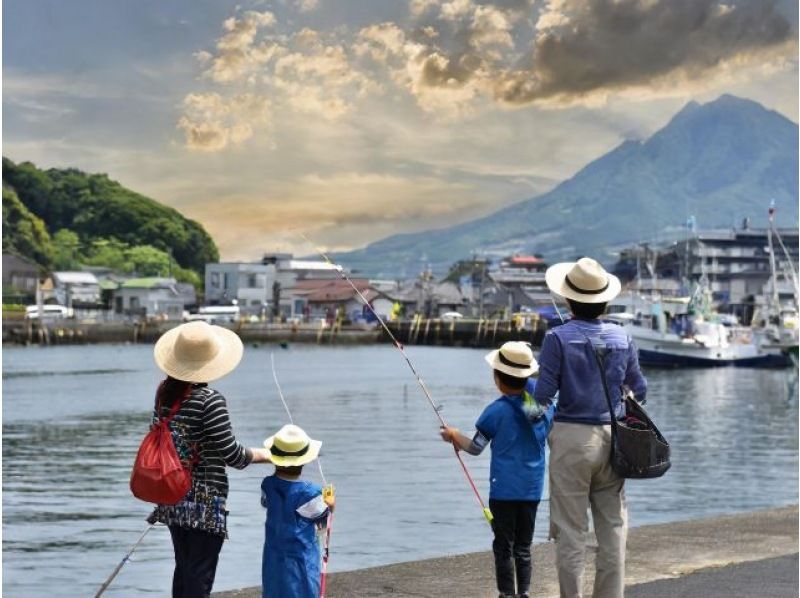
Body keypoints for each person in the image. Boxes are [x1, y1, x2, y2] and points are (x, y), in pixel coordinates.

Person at [534, 257, 647, 598]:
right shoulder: (622, 337)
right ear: (605, 300)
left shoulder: (557, 338)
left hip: (571, 439)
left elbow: (540, 399)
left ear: (569, 300)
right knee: (613, 528)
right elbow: (639, 390)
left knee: (571, 532)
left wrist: (523, 410)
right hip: (613, 440)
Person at [147, 321, 272, 598]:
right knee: (199, 576)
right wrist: (266, 455)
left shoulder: (164, 395)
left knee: (184, 569)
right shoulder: (210, 400)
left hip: (172, 497)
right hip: (204, 502)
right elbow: (233, 455)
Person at [440, 341, 555, 598]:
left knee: (504, 547)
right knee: (523, 547)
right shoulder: (543, 411)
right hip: (532, 491)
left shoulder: (495, 412)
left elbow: (475, 447)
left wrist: (454, 435)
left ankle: (506, 594)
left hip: (503, 492)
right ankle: (524, 593)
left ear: (498, 379)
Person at [260, 424, 335, 598]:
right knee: (302, 590)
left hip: (274, 555)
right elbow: (323, 516)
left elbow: (265, 503)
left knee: (275, 588)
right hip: (300, 558)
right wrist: (330, 503)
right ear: (303, 461)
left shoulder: (268, 485)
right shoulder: (309, 493)